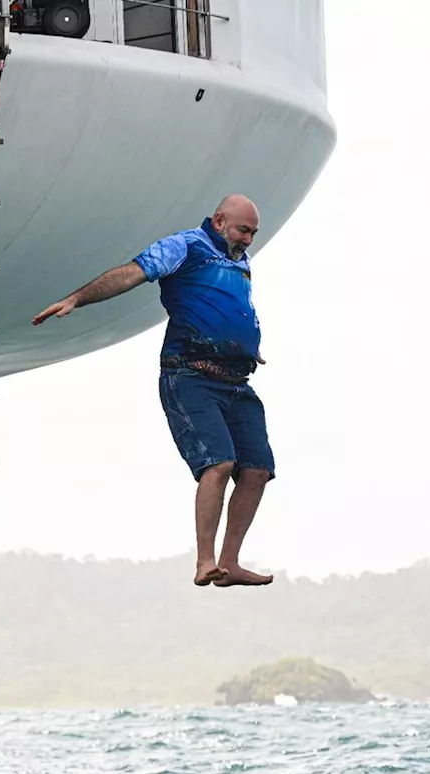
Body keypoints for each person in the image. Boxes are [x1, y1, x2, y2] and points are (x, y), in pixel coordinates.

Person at [32, 195, 276, 589]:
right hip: (190, 376)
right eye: (243, 230)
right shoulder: (185, 246)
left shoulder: (239, 260)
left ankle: (229, 563)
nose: (248, 239)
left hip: (236, 379)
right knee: (220, 464)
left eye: (253, 233)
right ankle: (205, 560)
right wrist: (76, 299)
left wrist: (244, 345)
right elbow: (131, 273)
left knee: (258, 469)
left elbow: (226, 307)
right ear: (218, 221)